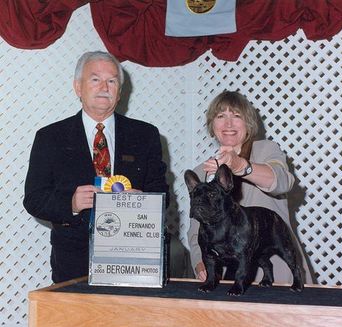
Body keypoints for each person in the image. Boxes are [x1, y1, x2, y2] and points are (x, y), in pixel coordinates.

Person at [23, 51, 169, 283]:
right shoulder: (50, 137)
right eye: (95, 79)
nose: (104, 87)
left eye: (112, 81)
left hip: (134, 259)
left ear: (120, 92)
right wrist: (70, 203)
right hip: (72, 261)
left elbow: (163, 195)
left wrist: (143, 201)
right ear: (77, 87)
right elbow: (34, 199)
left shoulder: (146, 135)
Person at [187, 90, 314, 285]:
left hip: (276, 274)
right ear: (212, 125)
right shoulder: (201, 171)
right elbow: (196, 230)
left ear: (249, 124)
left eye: (236, 116)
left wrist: (240, 166)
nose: (228, 124)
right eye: (221, 116)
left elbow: (282, 181)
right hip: (227, 280)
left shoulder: (266, 150)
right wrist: (200, 262)